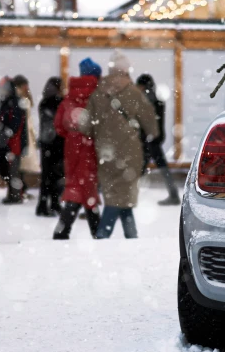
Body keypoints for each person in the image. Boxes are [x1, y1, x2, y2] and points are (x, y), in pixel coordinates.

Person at [82, 52, 158, 239]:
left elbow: (84, 126)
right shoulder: (134, 93)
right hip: (129, 153)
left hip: (105, 153)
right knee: (121, 198)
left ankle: (131, 238)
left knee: (118, 197)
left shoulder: (98, 93)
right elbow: (152, 127)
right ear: (126, 70)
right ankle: (103, 236)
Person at [52, 58, 102, 239]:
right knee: (85, 189)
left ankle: (65, 231)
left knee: (78, 186)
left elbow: (58, 126)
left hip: (71, 149)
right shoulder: (98, 96)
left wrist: (73, 136)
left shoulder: (69, 96)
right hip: (91, 148)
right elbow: (103, 126)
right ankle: (96, 233)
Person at [136, 74, 180, 205]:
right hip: (154, 138)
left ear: (143, 86)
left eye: (139, 85)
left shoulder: (147, 99)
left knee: (146, 167)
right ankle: (173, 194)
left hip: (149, 139)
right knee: (153, 166)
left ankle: (130, 197)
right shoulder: (156, 98)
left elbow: (145, 121)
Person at [0, 76, 26, 205]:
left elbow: (16, 123)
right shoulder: (5, 103)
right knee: (4, 167)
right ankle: (14, 192)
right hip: (4, 142)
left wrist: (6, 133)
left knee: (13, 169)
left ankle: (15, 195)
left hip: (12, 143)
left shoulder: (15, 103)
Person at [37, 77, 65, 216]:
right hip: (56, 144)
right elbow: (61, 121)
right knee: (55, 176)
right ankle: (52, 204)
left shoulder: (44, 102)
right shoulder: (58, 102)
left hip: (45, 143)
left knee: (46, 176)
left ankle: (44, 204)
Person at [14, 75, 40, 200]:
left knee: (22, 163)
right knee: (21, 163)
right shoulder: (18, 98)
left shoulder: (23, 98)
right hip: (22, 134)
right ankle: (20, 188)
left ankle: (21, 188)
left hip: (26, 133)